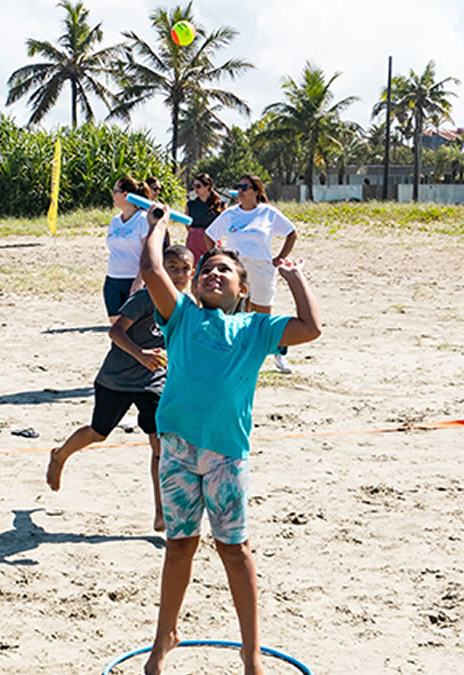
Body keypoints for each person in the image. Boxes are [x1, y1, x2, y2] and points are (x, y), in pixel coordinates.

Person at [137, 203, 321, 675]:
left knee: (233, 550)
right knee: (179, 546)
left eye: (224, 270)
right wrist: (157, 227)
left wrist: (294, 276)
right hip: (178, 451)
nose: (212, 273)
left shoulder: (256, 329)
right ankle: (165, 636)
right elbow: (152, 271)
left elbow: (311, 328)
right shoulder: (181, 316)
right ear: (195, 284)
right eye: (206, 269)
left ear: (243, 290)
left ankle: (250, 651)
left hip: (226, 454)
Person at [47, 244, 195, 532]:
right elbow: (115, 332)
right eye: (172, 268)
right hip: (117, 379)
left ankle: (161, 512)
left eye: (184, 269)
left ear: (192, 272)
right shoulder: (144, 298)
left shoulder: (188, 304)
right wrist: (140, 354)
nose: (178, 274)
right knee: (98, 433)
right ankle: (60, 454)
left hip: (153, 383)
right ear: (160, 271)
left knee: (159, 446)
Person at [204, 174, 299, 372]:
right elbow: (209, 235)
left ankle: (278, 354)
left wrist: (280, 257)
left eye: (244, 187)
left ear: (256, 191)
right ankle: (239, 353)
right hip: (237, 270)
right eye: (238, 187)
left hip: (261, 269)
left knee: (263, 314)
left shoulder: (268, 213)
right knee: (237, 312)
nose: (239, 191)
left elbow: (291, 233)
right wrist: (220, 258)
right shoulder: (230, 214)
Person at [104, 176, 162, 324]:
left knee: (132, 327)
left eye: (115, 191)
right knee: (115, 324)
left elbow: (148, 253)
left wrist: (139, 280)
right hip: (112, 279)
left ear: (125, 195)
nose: (112, 195)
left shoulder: (143, 219)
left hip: (133, 280)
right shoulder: (115, 221)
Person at [185, 172, 223, 262]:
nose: (195, 189)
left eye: (198, 186)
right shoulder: (191, 204)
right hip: (194, 239)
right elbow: (187, 225)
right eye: (194, 186)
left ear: (207, 186)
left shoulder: (219, 205)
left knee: (212, 263)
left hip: (211, 239)